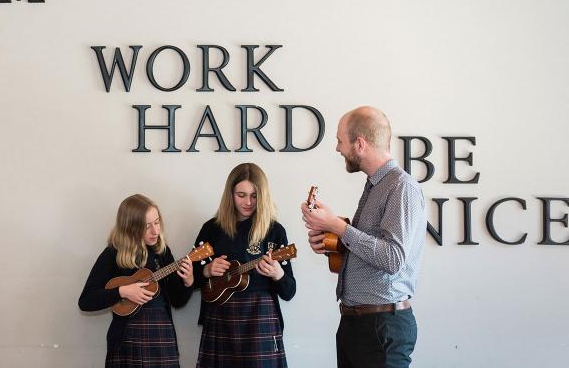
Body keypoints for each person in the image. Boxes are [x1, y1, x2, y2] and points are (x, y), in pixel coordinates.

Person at [301, 106, 427, 368]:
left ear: (359, 144)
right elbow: (372, 250)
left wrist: (337, 226)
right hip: (358, 325)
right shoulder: (375, 185)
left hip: (380, 329)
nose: (337, 149)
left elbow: (393, 259)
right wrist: (332, 242)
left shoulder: (400, 187)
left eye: (339, 141)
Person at [194, 162, 296, 368]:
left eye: (254, 195)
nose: (248, 202)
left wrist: (277, 274)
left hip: (261, 317)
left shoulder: (275, 231)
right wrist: (206, 270)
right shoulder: (211, 229)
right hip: (220, 316)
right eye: (241, 195)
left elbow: (289, 291)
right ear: (230, 194)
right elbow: (188, 279)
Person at [78, 193, 194, 367]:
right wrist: (122, 291)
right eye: (147, 226)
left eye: (157, 222)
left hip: (162, 334)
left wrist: (188, 281)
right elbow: (86, 301)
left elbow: (178, 301)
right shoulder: (113, 254)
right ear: (130, 227)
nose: (155, 231)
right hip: (127, 338)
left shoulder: (162, 252)